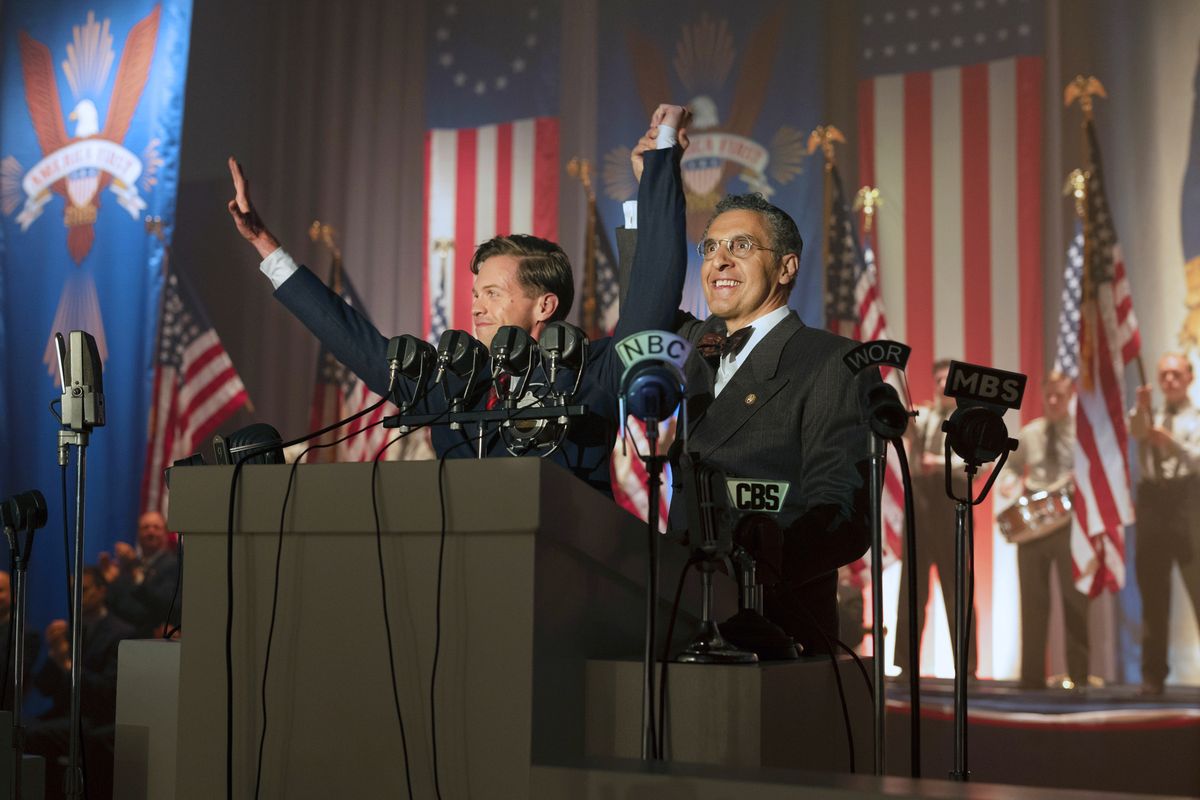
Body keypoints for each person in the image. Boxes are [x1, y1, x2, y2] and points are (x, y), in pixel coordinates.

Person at [225, 106, 689, 494]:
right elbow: (354, 341)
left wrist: (660, 163)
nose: (477, 307)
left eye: (492, 293)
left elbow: (652, 299)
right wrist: (267, 247)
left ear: (545, 305)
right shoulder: (455, 381)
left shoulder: (595, 372)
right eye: (474, 294)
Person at [618, 144, 874, 651]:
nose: (719, 261)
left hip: (775, 628)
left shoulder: (830, 362)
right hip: (684, 614)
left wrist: (760, 568)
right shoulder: (690, 345)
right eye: (710, 248)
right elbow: (644, 303)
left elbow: (842, 514)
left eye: (740, 246)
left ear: (785, 268)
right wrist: (652, 187)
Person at [1000, 372, 1089, 689]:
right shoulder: (1031, 433)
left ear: (1070, 395)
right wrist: (1012, 486)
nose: (1053, 401)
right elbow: (1009, 465)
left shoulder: (1081, 434)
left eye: (1060, 396)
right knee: (1033, 601)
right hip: (1035, 525)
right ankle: (1032, 677)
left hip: (1070, 524)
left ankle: (1079, 675)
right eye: (1049, 395)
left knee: (1074, 599)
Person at [893, 359, 978, 676]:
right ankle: (904, 664)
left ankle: (967, 669)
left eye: (949, 380)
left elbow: (977, 466)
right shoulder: (924, 415)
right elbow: (900, 427)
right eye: (939, 379)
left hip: (952, 501)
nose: (943, 385)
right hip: (919, 503)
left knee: (958, 589)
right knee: (911, 589)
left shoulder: (967, 420)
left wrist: (940, 464)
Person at [28, 567, 135, 800]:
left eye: (84, 590)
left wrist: (67, 664)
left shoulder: (121, 633)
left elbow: (107, 692)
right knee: (18, 730)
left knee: (32, 735)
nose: (78, 596)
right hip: (64, 714)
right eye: (74, 590)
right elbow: (44, 687)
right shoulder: (69, 629)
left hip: (95, 719)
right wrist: (54, 654)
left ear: (101, 591)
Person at [1130, 352, 1200, 695]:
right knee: (1152, 594)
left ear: (1190, 377)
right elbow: (1134, 431)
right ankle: (1153, 676)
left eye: (1176, 374)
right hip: (1153, 502)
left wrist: (1173, 446)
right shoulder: (1150, 415)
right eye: (1164, 375)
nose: (1170, 380)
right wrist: (1141, 407)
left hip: (1189, 501)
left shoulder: (1197, 417)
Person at [98, 510, 181, 636]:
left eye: (156, 527)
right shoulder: (128, 565)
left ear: (165, 533)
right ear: (138, 533)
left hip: (154, 638)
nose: (151, 532)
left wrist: (136, 575)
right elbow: (118, 607)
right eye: (145, 527)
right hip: (124, 637)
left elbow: (167, 605)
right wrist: (110, 582)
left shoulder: (174, 565)